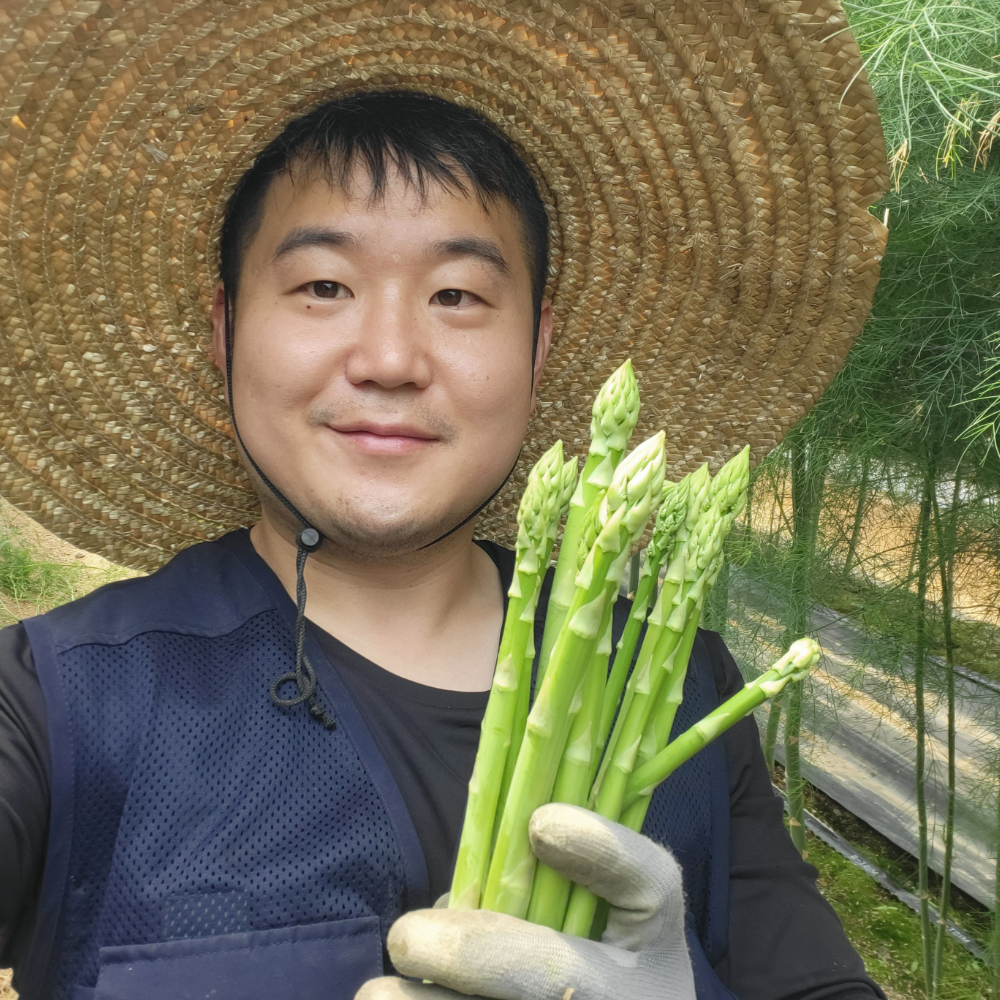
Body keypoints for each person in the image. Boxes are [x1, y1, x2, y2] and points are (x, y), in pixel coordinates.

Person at [0, 4, 891, 1000]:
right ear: (225, 329)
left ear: (538, 345)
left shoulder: (679, 682)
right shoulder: (55, 699)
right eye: (323, 285)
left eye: (457, 296)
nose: (389, 360)